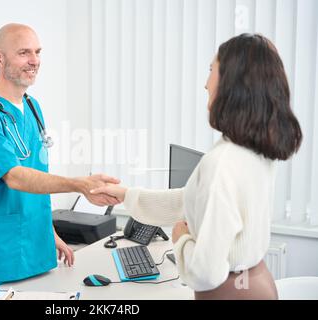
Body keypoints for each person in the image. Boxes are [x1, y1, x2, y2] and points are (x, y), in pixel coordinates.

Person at [91, 33, 302, 299]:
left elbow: (205, 273)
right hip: (255, 282)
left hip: (229, 291)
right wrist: (126, 195)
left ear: (232, 82)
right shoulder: (252, 149)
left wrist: (181, 239)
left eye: (212, 70)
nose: (205, 84)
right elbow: (191, 199)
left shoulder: (222, 162)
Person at [0, 23, 120, 300]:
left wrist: (48, 230)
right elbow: (15, 176)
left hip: (37, 251)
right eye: (23, 52)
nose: (34, 61)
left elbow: (37, 173)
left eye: (37, 52)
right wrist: (78, 184)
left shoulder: (33, 107)